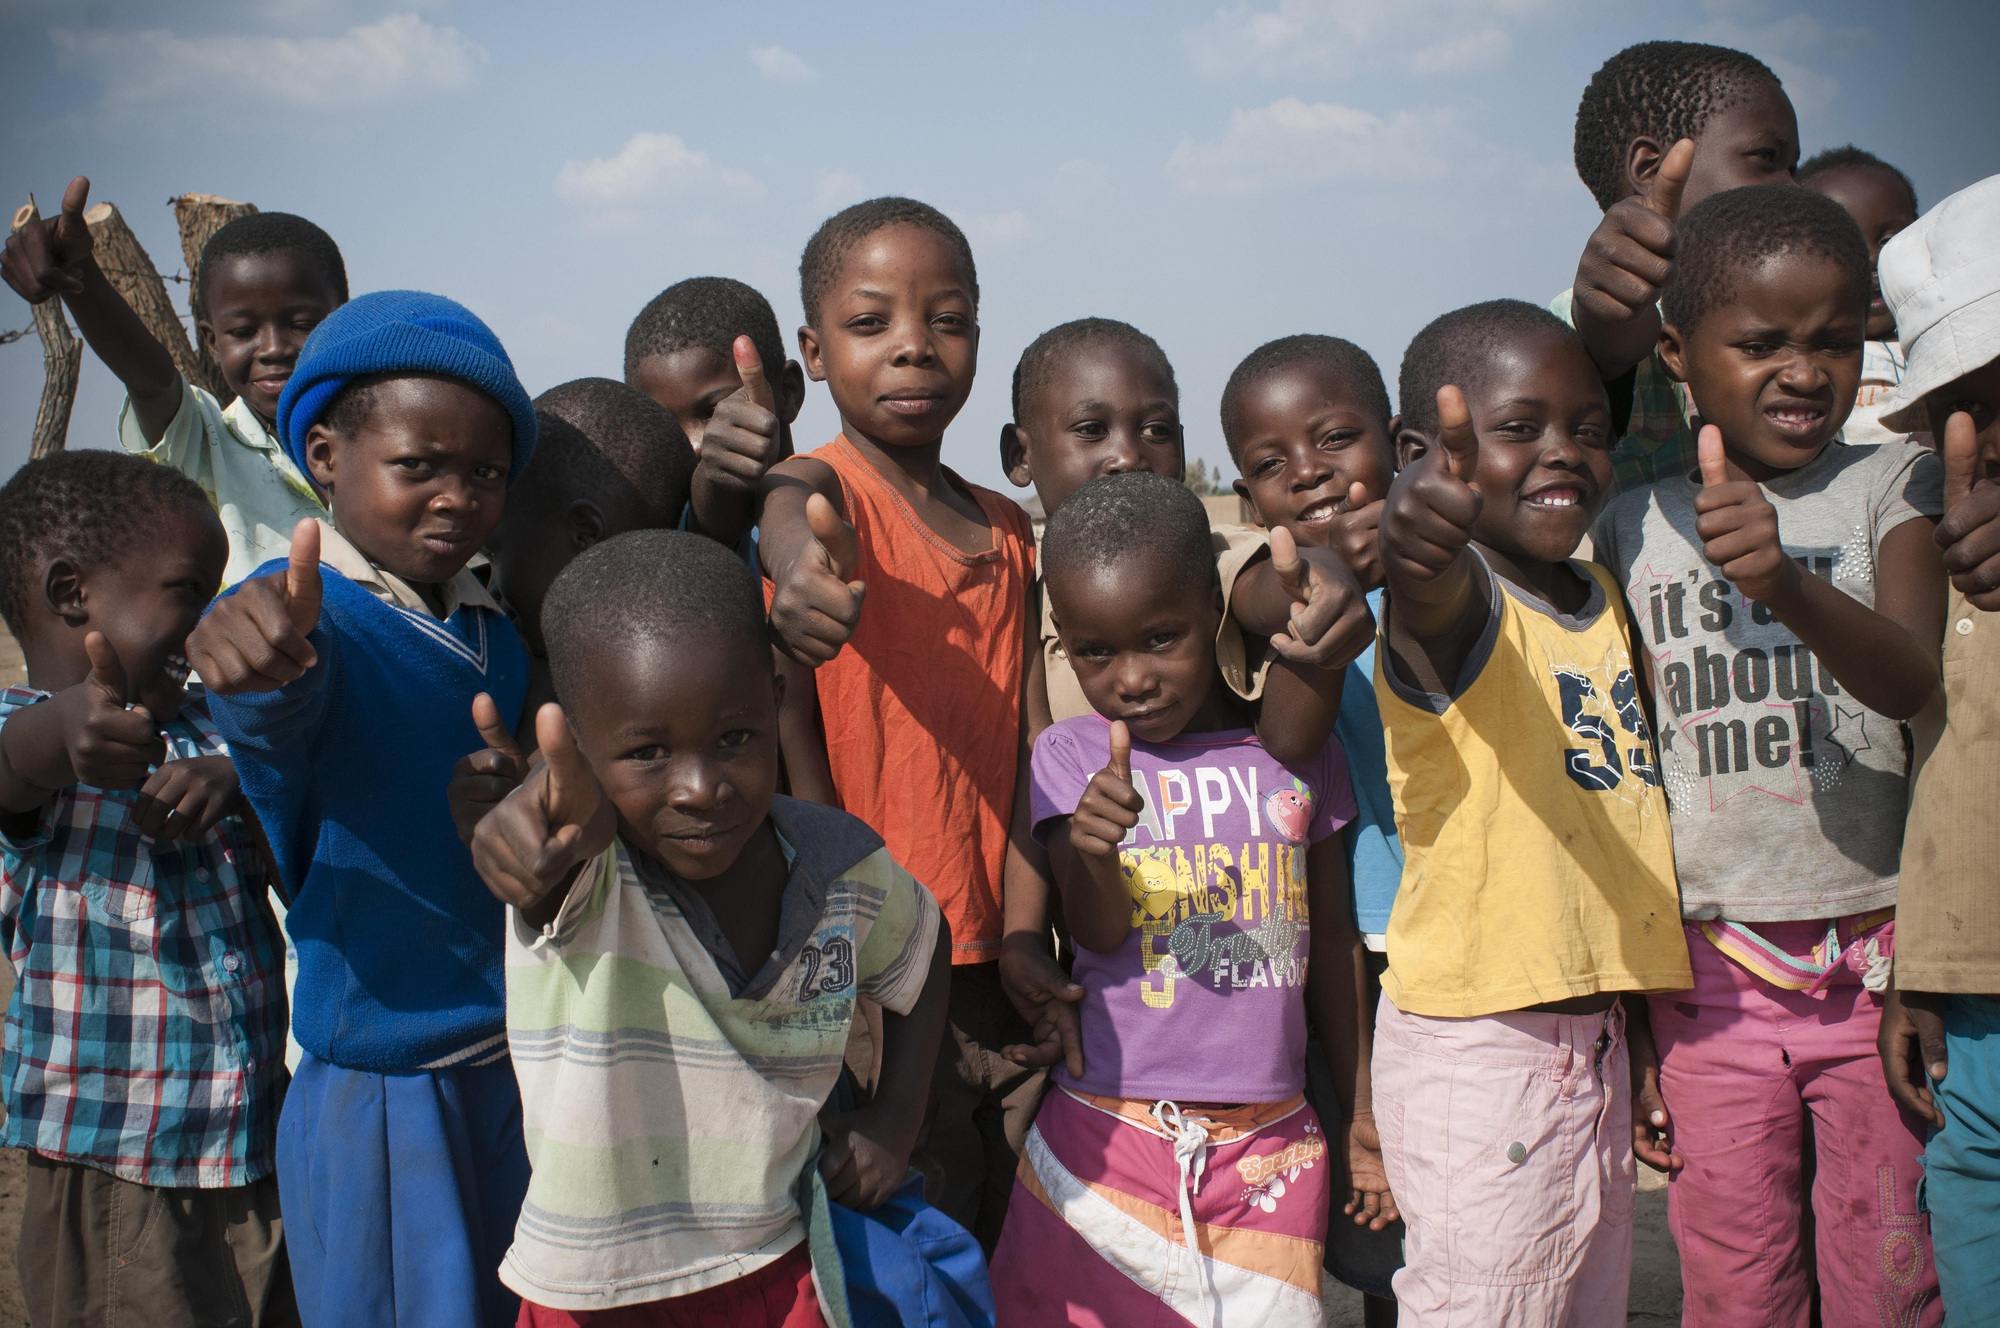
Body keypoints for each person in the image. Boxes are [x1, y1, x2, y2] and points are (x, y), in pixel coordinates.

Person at [1592, 184, 1946, 1326]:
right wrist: (1639, 1012)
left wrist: (1785, 584)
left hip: (1879, 964)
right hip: (1712, 979)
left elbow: (1910, 678)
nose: (1802, 370)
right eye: (1759, 344)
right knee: (1737, 1281)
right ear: (1677, 357)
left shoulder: (1892, 484)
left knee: (1888, 1273)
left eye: (1833, 340)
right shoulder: (1630, 525)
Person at [468, 530, 958, 1325]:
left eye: (734, 738)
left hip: (781, 1265)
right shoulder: (589, 879)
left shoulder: (840, 868)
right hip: (602, 1299)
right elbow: (548, 859)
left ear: (776, 701)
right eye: (647, 752)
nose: (700, 788)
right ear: (579, 749)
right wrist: (524, 831)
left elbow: (922, 951)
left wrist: (896, 1120)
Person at [186, 290, 539, 1328]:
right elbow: (273, 709)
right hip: (385, 1082)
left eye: (485, 473)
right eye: (418, 464)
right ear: (326, 456)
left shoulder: (492, 630)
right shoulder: (309, 614)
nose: (456, 497)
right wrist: (252, 657)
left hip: (509, 1059)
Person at [986, 471, 1374, 1328]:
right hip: (1105, 1136)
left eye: (1161, 639)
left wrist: (1360, 1110)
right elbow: (1096, 934)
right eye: (1095, 652)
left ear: (1213, 610)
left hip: (1271, 1151)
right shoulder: (1071, 756)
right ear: (1063, 646)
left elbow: (1335, 945)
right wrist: (1093, 852)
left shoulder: (1297, 758)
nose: (1131, 679)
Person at [1373, 299, 1692, 1323]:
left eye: (1588, 429)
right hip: (1484, 1053)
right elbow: (1426, 589)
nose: (1563, 450)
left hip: (1589, 1036)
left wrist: (1634, 1036)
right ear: (1419, 455)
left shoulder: (1601, 597)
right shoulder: (1455, 607)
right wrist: (1416, 536)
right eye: (1520, 428)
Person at [993, 319, 1371, 1099]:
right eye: (1092, 430)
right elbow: (1037, 771)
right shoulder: (1026, 594)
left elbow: (1267, 585)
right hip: (1111, 975)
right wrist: (1022, 933)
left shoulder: (1199, 556)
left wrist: (1319, 582)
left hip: (1250, 979)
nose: (1128, 454)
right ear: (1021, 456)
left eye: (1157, 429)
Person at [758, 197, 1033, 1250]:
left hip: (1002, 960)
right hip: (873, 967)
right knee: (907, 1250)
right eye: (871, 323)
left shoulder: (1008, 531)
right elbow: (786, 505)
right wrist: (797, 568)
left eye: (946, 319)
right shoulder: (829, 495)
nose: (915, 344)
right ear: (813, 351)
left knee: (1009, 1247)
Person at [0, 451, 293, 1328]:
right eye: (188, 593)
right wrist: (65, 728)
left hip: (252, 1152)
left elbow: (299, 847)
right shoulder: (26, 733)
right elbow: (14, 769)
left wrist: (243, 782)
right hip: (117, 1175)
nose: (207, 625)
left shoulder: (212, 728)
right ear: (72, 593)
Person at [1222, 333, 1406, 1325]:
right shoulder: (1263, 616)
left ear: (1399, 444)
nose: (1307, 472)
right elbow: (1285, 748)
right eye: (1269, 462)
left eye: (1335, 437)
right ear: (1248, 499)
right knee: (1383, 1224)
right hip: (1354, 951)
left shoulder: (1457, 577)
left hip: (1469, 939)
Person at [1868, 173, 2000, 1321]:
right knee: (1968, 1187)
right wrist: (1918, 968)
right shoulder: (1916, 522)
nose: (1986, 431)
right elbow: (1932, 767)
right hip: (1967, 985)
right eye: (1963, 402)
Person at [1, 176, 346, 586]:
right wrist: (80, 277)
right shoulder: (204, 443)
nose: (273, 349)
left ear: (342, 318)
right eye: (243, 332)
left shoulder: (380, 424)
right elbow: (151, 382)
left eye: (302, 324)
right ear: (212, 342)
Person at [1556, 41, 1799, 491]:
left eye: (1794, 168)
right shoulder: (1587, 317)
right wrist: (1608, 317)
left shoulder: (1805, 315)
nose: (1792, 188)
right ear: (1652, 169)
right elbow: (1610, 339)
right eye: (1767, 158)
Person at [625, 276, 807, 548]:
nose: (695, 445)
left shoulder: (844, 504)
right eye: (665, 423)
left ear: (788, 393)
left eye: (714, 412)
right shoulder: (659, 546)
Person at [1800, 146, 1925, 446]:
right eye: (1842, 245)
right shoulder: (1798, 357)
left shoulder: (1936, 342)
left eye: (1888, 240)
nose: (1871, 258)